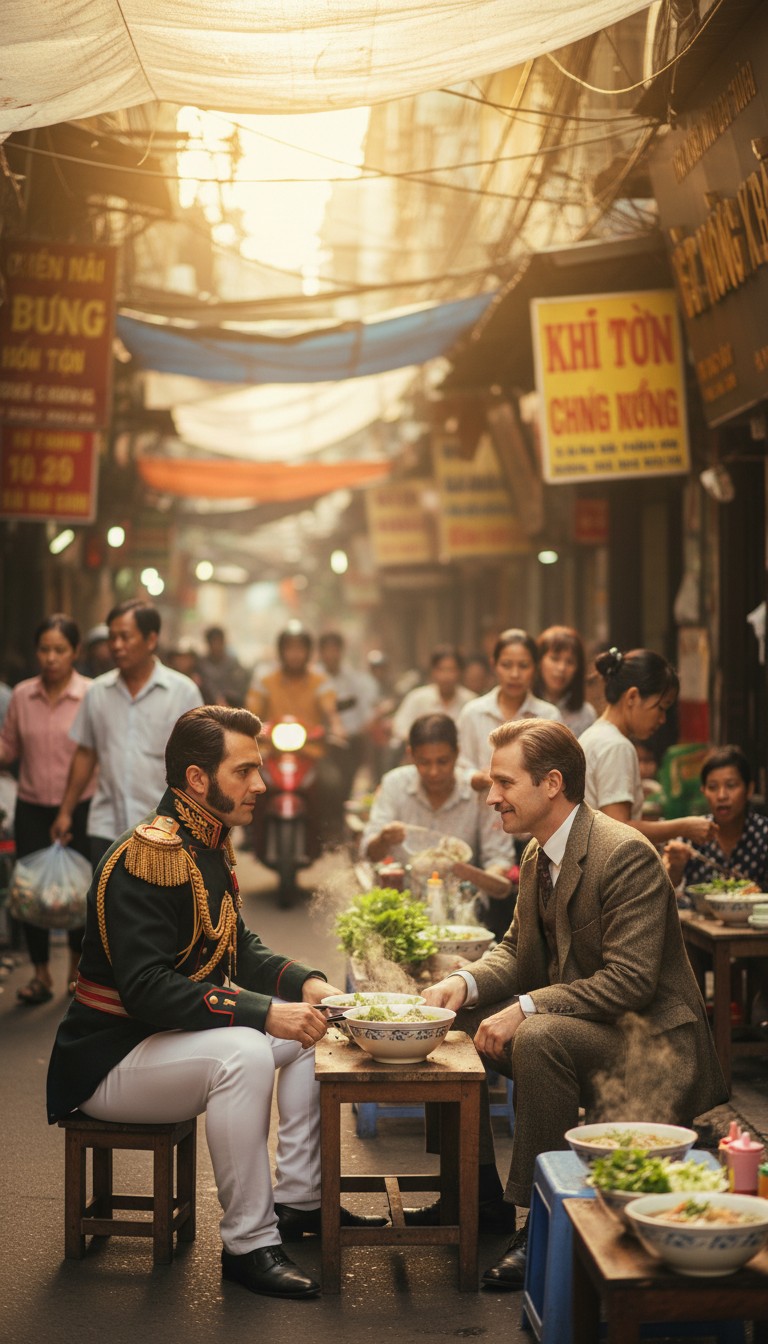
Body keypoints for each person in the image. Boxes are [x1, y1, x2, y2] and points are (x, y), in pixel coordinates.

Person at [46, 704, 385, 1299]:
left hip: (166, 1042)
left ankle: (299, 1201)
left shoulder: (206, 840)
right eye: (246, 771)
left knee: (317, 1027)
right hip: (109, 1058)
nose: (260, 783)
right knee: (245, 1054)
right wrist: (260, 1011)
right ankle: (248, 1243)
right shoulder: (147, 856)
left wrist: (308, 984)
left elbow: (235, 944)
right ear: (198, 780)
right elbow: (146, 989)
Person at [420, 718, 727, 1289]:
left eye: (505, 784)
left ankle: (540, 1221)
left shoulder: (624, 853)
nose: (492, 798)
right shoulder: (540, 851)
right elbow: (516, 950)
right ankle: (475, 1192)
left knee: (539, 1035)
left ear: (552, 784)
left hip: (651, 1043)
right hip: (592, 1025)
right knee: (448, 1021)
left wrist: (528, 1006)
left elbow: (631, 983)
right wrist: (462, 984)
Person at [52, 599, 203, 867]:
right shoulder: (97, 692)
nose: (116, 645)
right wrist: (65, 812)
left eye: (125, 637)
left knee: (157, 907)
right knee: (106, 904)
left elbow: (200, 760)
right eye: (112, 637)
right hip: (106, 826)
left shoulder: (183, 692)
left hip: (165, 827)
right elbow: (86, 754)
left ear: (151, 639)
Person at [0, 615, 94, 1004]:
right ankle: (40, 975)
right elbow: (8, 747)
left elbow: (93, 753)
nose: (51, 658)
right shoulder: (23, 695)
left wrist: (68, 811)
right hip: (32, 806)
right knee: (31, 894)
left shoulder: (91, 694)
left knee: (76, 894)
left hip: (82, 806)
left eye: (60, 650)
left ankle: (75, 972)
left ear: (75, 652)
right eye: (44, 649)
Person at [579, 647, 718, 847]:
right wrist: (684, 826)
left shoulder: (595, 735)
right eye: (660, 708)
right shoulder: (616, 746)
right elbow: (619, 828)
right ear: (633, 697)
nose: (662, 719)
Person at [360, 713, 513, 885]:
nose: (434, 772)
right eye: (424, 762)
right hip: (403, 896)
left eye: (442, 761)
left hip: (460, 898)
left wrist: (490, 877)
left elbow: (498, 857)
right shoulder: (394, 784)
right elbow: (369, 853)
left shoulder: (477, 792)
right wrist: (383, 839)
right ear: (411, 755)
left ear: (457, 753)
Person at [247, 625, 346, 850]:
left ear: (308, 652)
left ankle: (330, 831)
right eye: (289, 648)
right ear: (281, 651)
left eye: (300, 649)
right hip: (270, 750)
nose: (294, 654)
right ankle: (250, 832)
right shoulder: (266, 680)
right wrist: (248, 725)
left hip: (311, 750)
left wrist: (336, 725)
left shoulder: (320, 681)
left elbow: (330, 707)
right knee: (248, 783)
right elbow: (252, 708)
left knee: (333, 782)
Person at [458, 629, 560, 794]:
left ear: (536, 667)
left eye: (523, 666)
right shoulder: (473, 712)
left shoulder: (548, 716)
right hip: (483, 811)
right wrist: (476, 777)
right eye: (506, 665)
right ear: (494, 665)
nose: (514, 674)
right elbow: (461, 765)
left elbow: (556, 770)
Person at [664, 745, 768, 895]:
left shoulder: (764, 833)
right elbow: (669, 887)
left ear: (749, 789)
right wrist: (675, 867)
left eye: (731, 785)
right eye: (712, 787)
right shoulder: (692, 834)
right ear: (704, 792)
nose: (721, 796)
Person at [316, 631, 378, 801]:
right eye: (327, 650)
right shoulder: (314, 678)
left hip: (349, 741)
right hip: (317, 740)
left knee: (344, 782)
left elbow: (365, 712)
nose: (331, 654)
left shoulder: (355, 680)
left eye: (334, 650)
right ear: (320, 652)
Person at [389, 645, 476, 757]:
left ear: (460, 672)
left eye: (451, 670)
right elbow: (400, 727)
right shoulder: (417, 698)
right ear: (433, 672)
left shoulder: (471, 702)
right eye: (441, 670)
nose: (446, 676)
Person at [535, 625, 596, 738]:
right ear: (539, 661)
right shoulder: (524, 705)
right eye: (555, 658)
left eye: (570, 662)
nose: (562, 668)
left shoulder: (585, 713)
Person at [198, 626, 251, 708]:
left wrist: (226, 699)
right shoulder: (200, 665)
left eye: (219, 642)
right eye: (213, 642)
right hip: (207, 708)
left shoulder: (233, 663)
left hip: (231, 708)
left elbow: (240, 688)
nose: (216, 646)